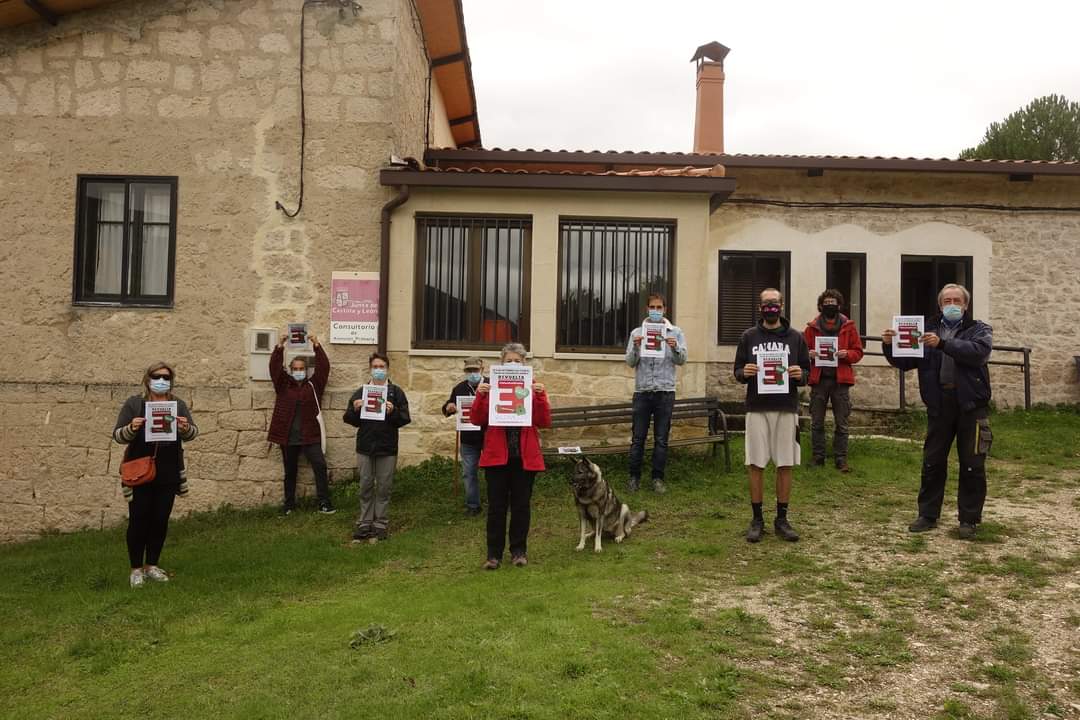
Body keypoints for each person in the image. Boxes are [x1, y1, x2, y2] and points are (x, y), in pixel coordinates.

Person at [882, 283, 992, 540]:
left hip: (971, 406)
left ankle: (969, 519)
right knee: (932, 461)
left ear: (965, 304)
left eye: (957, 300)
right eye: (947, 301)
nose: (952, 305)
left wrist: (942, 344)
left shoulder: (979, 329)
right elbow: (906, 362)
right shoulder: (926, 330)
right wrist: (890, 345)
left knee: (972, 465)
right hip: (939, 404)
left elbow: (978, 353)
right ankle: (927, 514)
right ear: (939, 305)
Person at [733, 288, 811, 543]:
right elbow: (737, 371)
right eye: (766, 303)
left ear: (782, 305)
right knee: (756, 463)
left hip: (786, 407)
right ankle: (757, 518)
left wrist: (802, 375)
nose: (770, 307)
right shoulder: (749, 336)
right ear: (759, 307)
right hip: (757, 406)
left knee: (785, 463)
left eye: (774, 303)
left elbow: (807, 373)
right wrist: (745, 371)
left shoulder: (796, 338)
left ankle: (782, 518)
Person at [113, 362, 199, 588]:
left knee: (160, 519)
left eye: (166, 377)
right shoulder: (134, 403)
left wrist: (184, 428)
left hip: (168, 469)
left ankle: (151, 564)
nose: (161, 380)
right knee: (139, 519)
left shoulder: (177, 404)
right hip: (139, 470)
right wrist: (132, 427)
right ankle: (135, 568)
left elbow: (193, 432)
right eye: (157, 376)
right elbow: (118, 435)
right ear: (147, 378)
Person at [469, 343, 551, 569]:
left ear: (524, 364)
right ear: (501, 362)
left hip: (524, 458)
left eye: (517, 361)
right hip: (497, 458)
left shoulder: (533, 388)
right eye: (509, 360)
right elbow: (476, 420)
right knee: (496, 508)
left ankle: (518, 551)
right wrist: (481, 397)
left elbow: (544, 421)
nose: (513, 364)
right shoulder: (490, 387)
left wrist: (541, 397)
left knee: (521, 506)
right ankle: (493, 555)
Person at [343, 352, 411, 542]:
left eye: (382, 367)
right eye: (375, 367)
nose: (379, 370)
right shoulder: (361, 392)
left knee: (384, 487)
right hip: (365, 446)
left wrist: (393, 411)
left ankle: (380, 523)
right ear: (370, 369)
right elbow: (349, 419)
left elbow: (405, 418)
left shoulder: (396, 392)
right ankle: (364, 522)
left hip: (387, 447)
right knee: (365, 485)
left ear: (387, 369)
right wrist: (355, 409)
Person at [624, 292, 688, 494]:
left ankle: (657, 478)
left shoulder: (675, 332)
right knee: (638, 438)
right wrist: (635, 347)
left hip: (665, 392)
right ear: (647, 309)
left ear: (665, 309)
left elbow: (682, 360)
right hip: (642, 391)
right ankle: (634, 477)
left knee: (661, 438)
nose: (656, 311)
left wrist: (675, 347)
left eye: (659, 307)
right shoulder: (637, 333)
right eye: (653, 307)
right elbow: (630, 362)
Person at [267, 333, 333, 515]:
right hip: (288, 437)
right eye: (295, 368)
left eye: (301, 368)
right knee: (290, 472)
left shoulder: (314, 386)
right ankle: (289, 505)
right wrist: (280, 346)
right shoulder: (283, 385)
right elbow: (274, 368)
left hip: (310, 436)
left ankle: (324, 503)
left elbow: (324, 368)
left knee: (319, 466)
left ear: (306, 370)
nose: (298, 371)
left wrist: (317, 345)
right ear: (290, 369)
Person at [804, 289, 864, 472]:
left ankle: (841, 459)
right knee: (817, 421)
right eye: (826, 302)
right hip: (819, 379)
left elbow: (858, 352)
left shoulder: (849, 326)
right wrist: (808, 354)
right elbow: (801, 352)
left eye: (833, 302)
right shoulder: (811, 327)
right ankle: (818, 456)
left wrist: (847, 354)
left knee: (842, 422)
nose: (830, 305)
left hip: (841, 380)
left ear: (839, 305)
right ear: (821, 306)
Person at [441, 357, 487, 516]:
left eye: (475, 370)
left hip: (490, 436)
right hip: (468, 438)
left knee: (494, 472)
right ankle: (473, 505)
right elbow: (448, 407)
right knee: (468, 472)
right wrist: (449, 407)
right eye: (469, 371)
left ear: (482, 369)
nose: (473, 373)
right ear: (465, 372)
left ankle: (497, 501)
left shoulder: (491, 385)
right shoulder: (459, 388)